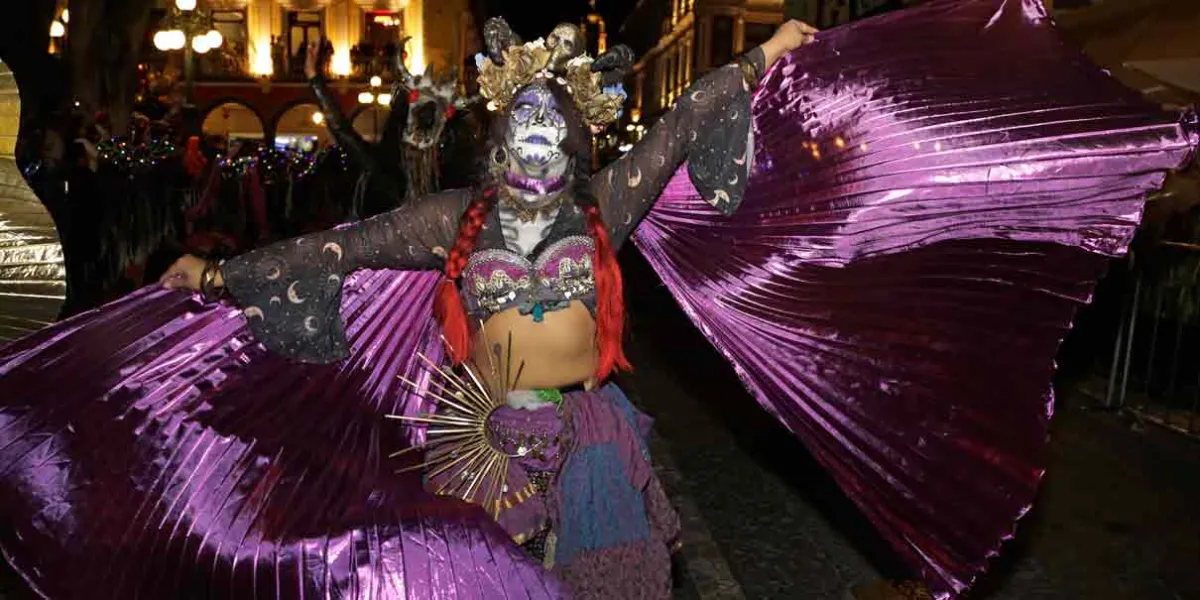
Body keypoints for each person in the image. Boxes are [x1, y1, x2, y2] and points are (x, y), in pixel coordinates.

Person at [0, 2, 1195, 598]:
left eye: (548, 127)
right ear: (494, 137)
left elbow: (679, 128)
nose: (531, 143)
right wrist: (221, 272)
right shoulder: (449, 221)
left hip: (594, 446)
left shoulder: (604, 211)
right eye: (514, 126)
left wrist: (758, 61)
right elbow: (339, 251)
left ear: (567, 142)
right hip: (478, 451)